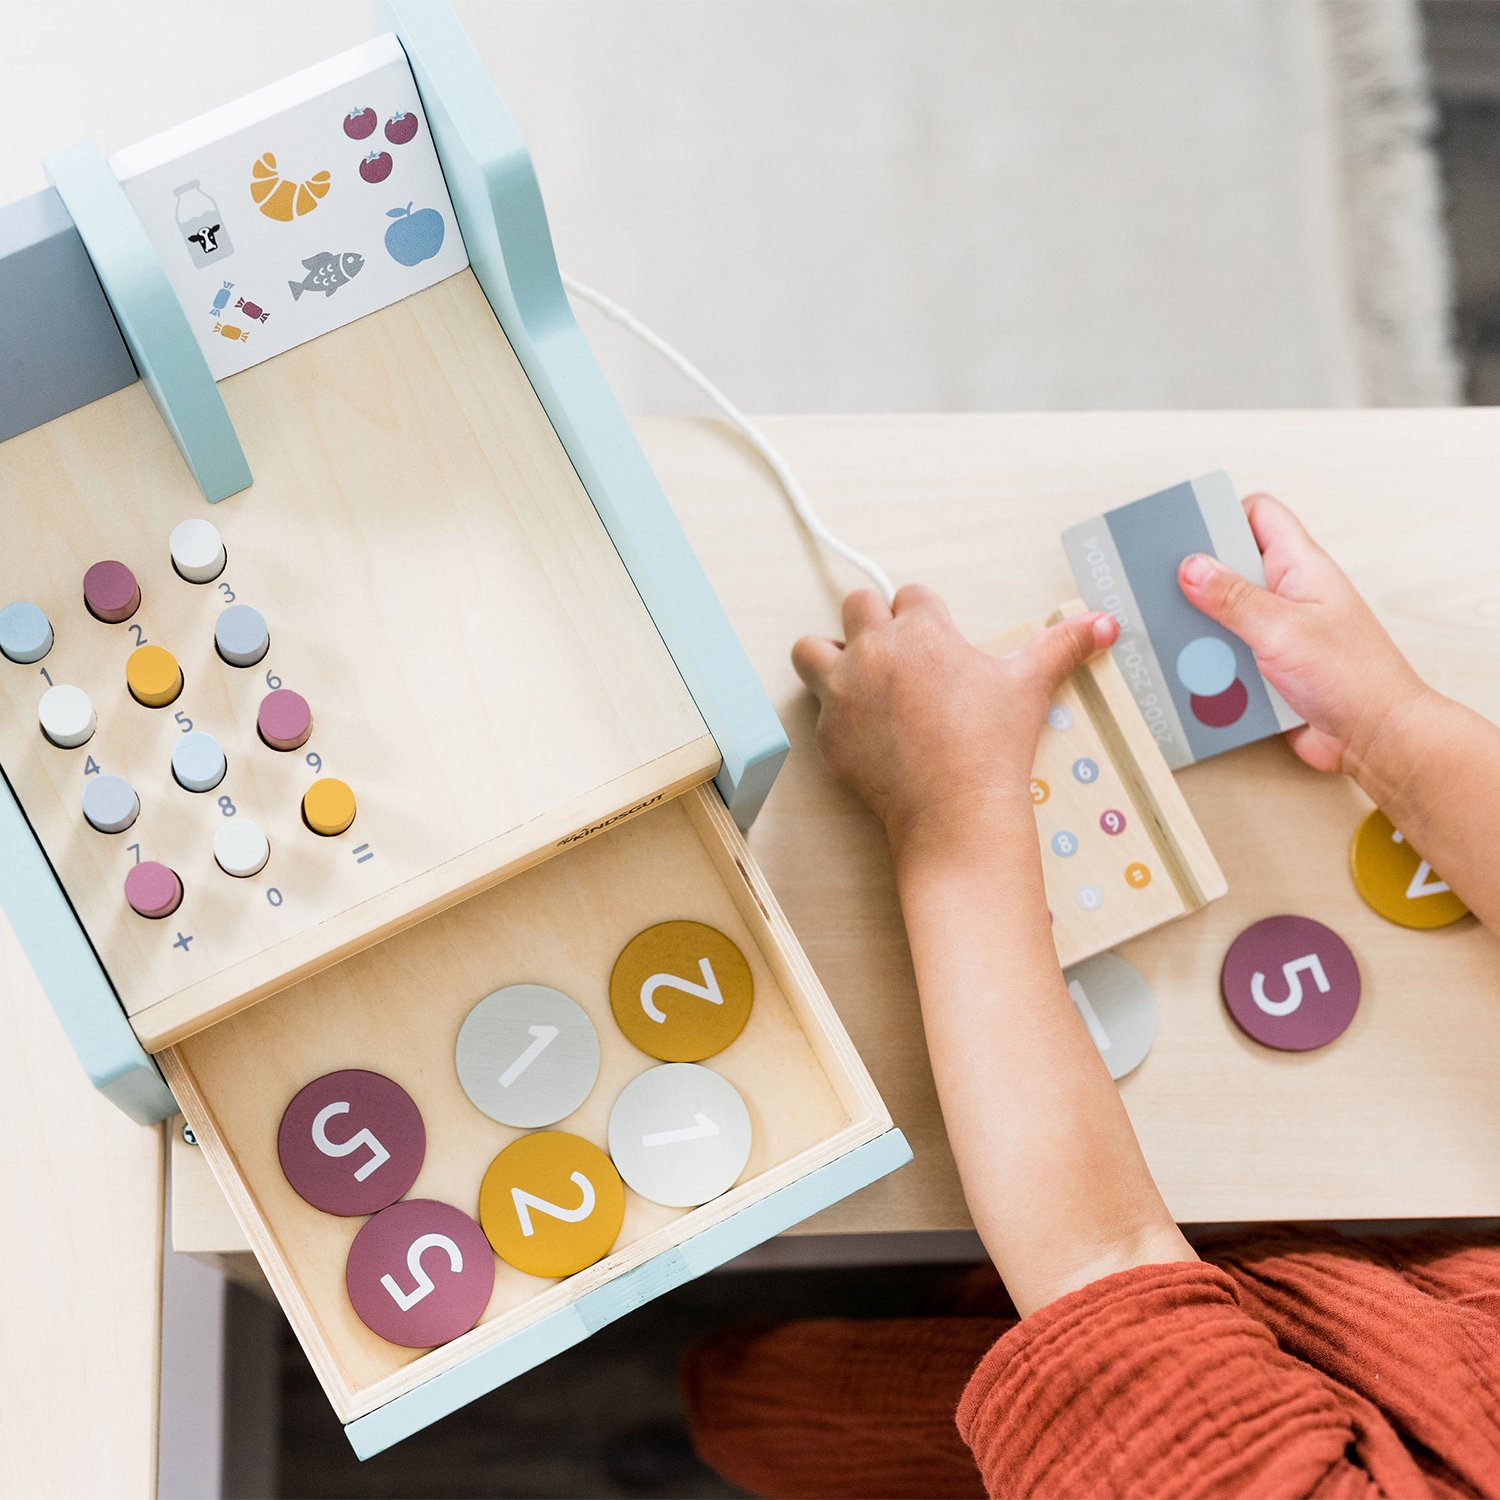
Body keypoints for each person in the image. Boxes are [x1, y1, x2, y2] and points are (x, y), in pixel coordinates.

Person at [682, 494, 1500, 1499]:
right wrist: (1387, 719)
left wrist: (949, 814)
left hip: (1127, 1391)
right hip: (1357, 1317)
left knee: (763, 1411)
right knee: (816, 1380)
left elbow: (1104, 1275)